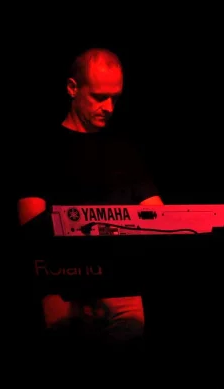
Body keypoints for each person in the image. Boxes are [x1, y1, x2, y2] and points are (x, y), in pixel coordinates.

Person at [17, 47, 164, 347]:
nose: (108, 107)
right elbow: (31, 227)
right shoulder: (41, 150)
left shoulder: (126, 151)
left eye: (115, 98)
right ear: (72, 88)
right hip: (63, 290)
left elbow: (160, 219)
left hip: (124, 290)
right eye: (99, 97)